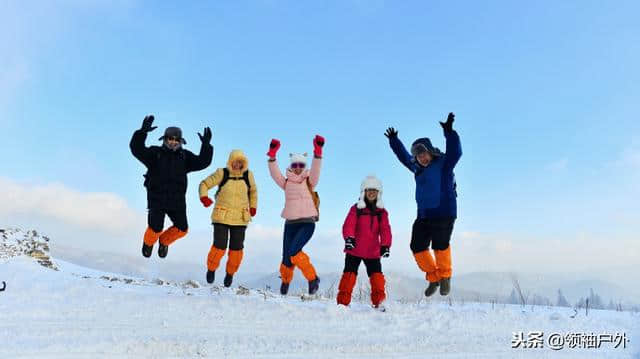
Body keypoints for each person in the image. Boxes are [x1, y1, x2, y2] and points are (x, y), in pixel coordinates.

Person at [385, 112, 461, 296]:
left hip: (444, 212)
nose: (422, 158)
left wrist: (449, 132)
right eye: (418, 156)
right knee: (417, 246)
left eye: (424, 154)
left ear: (430, 151)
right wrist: (394, 141)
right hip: (424, 214)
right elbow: (404, 157)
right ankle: (433, 277)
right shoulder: (417, 168)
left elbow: (456, 152)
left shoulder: (444, 163)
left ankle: (445, 276)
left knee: (440, 245)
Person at [130, 115, 213, 258]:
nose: (173, 142)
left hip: (177, 201)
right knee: (155, 228)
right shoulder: (155, 154)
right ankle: (149, 243)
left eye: (176, 140)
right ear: (165, 139)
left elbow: (202, 162)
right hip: (157, 198)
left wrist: (206, 145)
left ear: (180, 141)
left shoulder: (185, 157)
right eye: (170, 139)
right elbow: (136, 149)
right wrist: (142, 132)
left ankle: (164, 241)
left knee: (182, 229)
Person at [267, 135, 324, 295]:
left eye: (301, 165)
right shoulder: (286, 182)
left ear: (304, 166)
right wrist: (272, 155)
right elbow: (274, 174)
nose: (298, 167)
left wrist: (318, 152)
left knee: (294, 252)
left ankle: (313, 279)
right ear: (291, 166)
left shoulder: (309, 181)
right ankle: (285, 283)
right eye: (295, 164)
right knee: (286, 257)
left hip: (307, 222)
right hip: (290, 223)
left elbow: (316, 170)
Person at [199, 150, 258, 287]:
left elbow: (253, 191)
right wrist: (204, 197)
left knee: (236, 250)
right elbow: (204, 184)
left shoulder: (248, 175)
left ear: (244, 164)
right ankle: (211, 269)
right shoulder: (222, 173)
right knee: (219, 246)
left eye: (240, 162)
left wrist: (253, 206)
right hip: (222, 217)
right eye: (235, 162)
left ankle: (230, 273)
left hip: (240, 218)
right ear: (230, 162)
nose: (237, 165)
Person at [337, 175, 392, 308]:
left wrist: (385, 245)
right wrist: (349, 238)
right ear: (364, 192)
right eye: (369, 190)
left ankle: (379, 303)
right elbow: (349, 224)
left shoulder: (382, 212)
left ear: (379, 193)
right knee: (348, 277)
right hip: (354, 249)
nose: (371, 192)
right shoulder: (356, 208)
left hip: (373, 252)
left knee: (377, 279)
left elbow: (385, 229)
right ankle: (342, 305)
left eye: (374, 190)